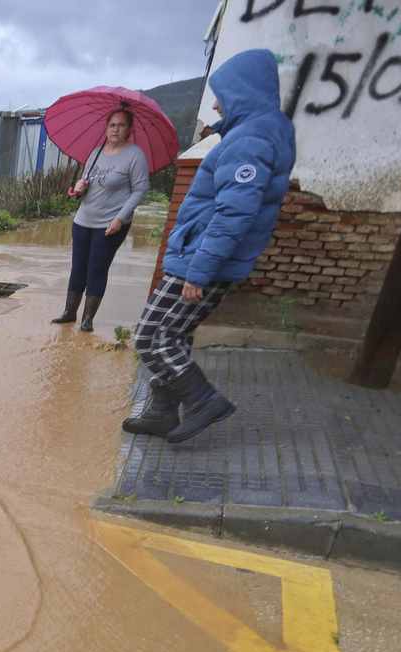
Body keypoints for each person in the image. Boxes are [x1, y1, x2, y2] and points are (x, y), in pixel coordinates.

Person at [124, 48, 295, 443]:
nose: (216, 102)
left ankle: (203, 401)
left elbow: (234, 214)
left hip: (202, 260)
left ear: (244, 93)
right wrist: (221, 131)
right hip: (207, 256)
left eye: (223, 94)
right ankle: (162, 411)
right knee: (176, 335)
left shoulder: (250, 140)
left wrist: (199, 270)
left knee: (151, 337)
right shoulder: (260, 131)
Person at [52, 108, 149, 332]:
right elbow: (87, 186)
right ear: (106, 129)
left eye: (121, 125)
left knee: (96, 268)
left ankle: (87, 319)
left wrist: (120, 219)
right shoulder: (96, 153)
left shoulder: (135, 156)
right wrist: (78, 189)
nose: (115, 129)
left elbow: (140, 190)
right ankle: (69, 313)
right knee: (78, 267)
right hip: (83, 220)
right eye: (112, 125)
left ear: (129, 130)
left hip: (110, 224)